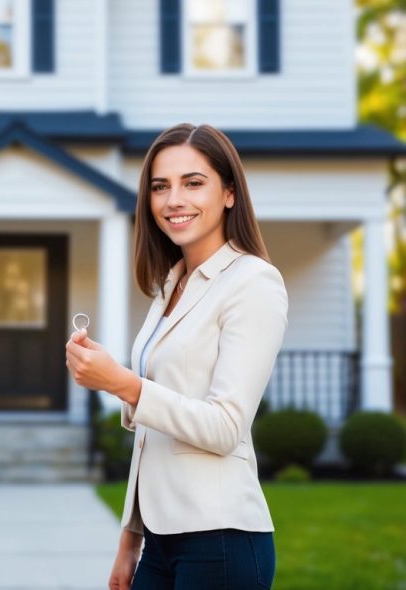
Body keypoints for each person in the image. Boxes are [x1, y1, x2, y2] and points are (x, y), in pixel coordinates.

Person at [65, 123, 286, 590]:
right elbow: (151, 434)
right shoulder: (171, 285)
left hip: (221, 538)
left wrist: (120, 382)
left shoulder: (253, 283)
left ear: (229, 193)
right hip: (162, 541)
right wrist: (130, 541)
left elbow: (226, 427)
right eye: (160, 186)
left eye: (193, 183)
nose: (173, 200)